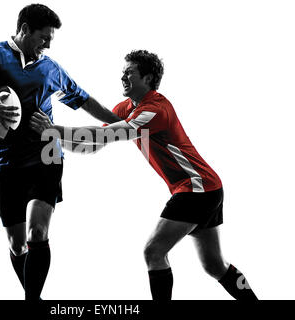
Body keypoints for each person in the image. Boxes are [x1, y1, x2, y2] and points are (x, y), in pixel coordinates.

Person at [29, 50, 258, 300]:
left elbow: (106, 135)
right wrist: (54, 136)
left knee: (154, 252)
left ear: (147, 79)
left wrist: (55, 129)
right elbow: (93, 144)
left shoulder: (156, 110)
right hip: (206, 188)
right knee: (214, 266)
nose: (122, 77)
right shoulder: (128, 107)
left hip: (196, 189)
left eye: (129, 73)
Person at [0, 4, 120, 300]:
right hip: (5, 163)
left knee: (37, 232)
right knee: (17, 244)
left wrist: (125, 126)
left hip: (46, 157)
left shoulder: (50, 68)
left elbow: (86, 101)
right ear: (25, 29)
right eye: (44, 37)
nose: (48, 45)